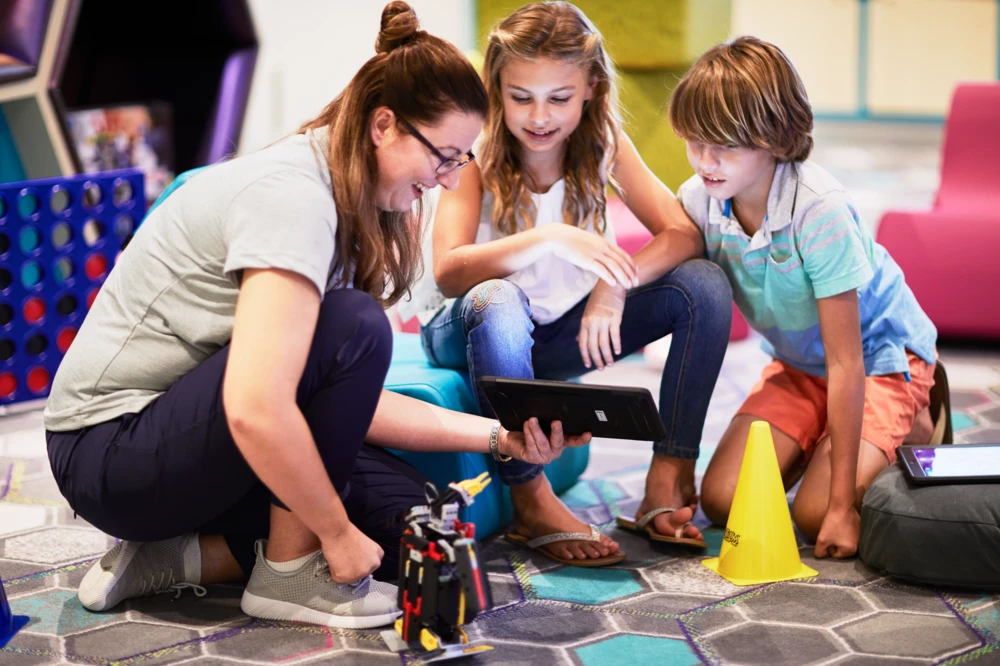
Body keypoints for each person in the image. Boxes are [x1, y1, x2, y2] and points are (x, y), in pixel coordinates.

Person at [43, 1, 588, 630]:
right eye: (443, 156)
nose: (444, 181)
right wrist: (330, 535)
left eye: (459, 162)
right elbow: (255, 406)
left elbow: (342, 404)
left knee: (409, 515)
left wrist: (499, 439)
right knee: (356, 326)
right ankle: (285, 576)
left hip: (185, 440)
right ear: (385, 125)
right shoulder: (293, 200)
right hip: (110, 453)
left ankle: (181, 557)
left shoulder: (341, 196)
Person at [400, 1, 733, 566]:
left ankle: (667, 481)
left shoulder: (602, 139)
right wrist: (547, 236)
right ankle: (530, 494)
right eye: (520, 97)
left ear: (590, 91)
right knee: (501, 298)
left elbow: (682, 234)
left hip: (556, 337)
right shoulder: (476, 147)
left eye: (559, 98)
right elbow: (450, 270)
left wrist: (614, 286)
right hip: (470, 326)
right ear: (496, 89)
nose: (539, 116)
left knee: (703, 286)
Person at [668, 36, 939, 558]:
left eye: (724, 144)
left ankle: (919, 417)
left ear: (773, 138)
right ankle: (826, 441)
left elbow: (847, 360)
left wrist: (842, 507)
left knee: (816, 515)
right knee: (724, 500)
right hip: (797, 367)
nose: (705, 160)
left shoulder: (821, 211)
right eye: (695, 141)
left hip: (877, 362)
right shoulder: (701, 197)